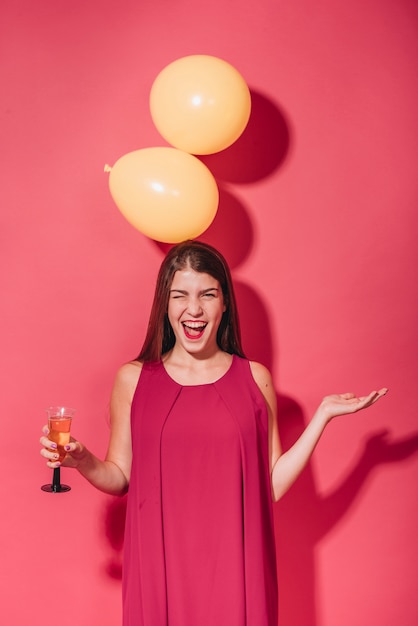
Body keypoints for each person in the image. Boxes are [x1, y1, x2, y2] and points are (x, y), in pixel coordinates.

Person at [40, 240, 387, 626]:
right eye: (180, 295)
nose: (194, 309)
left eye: (207, 294)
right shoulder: (133, 379)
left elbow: (269, 484)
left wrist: (322, 417)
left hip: (238, 572)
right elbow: (120, 476)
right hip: (159, 571)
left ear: (224, 304)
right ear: (164, 305)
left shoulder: (255, 379)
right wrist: (83, 460)